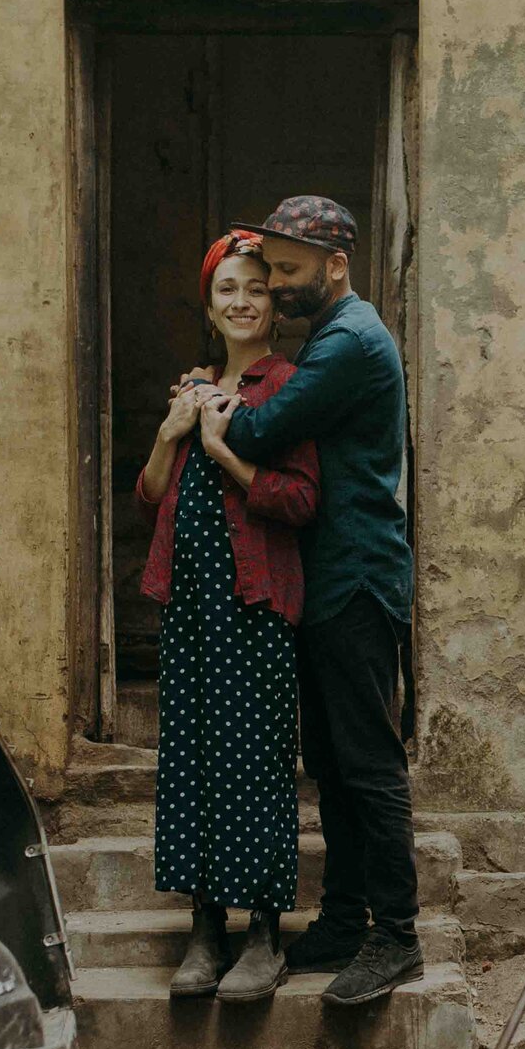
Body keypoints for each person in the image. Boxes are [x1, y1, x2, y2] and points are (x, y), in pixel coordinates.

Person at [189, 195, 421, 1008]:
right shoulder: (330, 334)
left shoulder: (351, 341)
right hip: (328, 584)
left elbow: (259, 430)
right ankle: (344, 918)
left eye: (288, 272)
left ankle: (396, 935)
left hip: (357, 578)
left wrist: (214, 414)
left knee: (368, 765)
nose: (277, 286)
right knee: (330, 762)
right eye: (271, 271)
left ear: (336, 265)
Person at [135, 230, 320, 1008]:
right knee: (192, 761)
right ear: (210, 309)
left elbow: (303, 500)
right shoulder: (193, 388)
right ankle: (204, 931)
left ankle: (263, 935)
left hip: (256, 606)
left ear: (274, 309)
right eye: (227, 291)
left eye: (255, 289)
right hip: (191, 606)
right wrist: (172, 433)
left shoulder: (289, 389)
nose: (241, 301)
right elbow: (149, 494)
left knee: (259, 762)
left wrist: (224, 452)